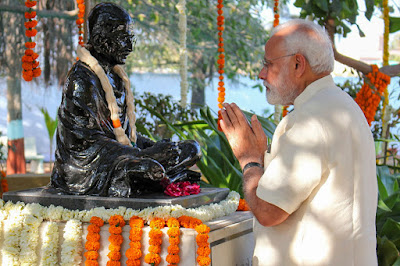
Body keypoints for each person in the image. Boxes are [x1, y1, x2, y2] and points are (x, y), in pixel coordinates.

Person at [220, 19, 377, 265]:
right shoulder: (342, 106)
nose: (261, 74)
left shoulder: (311, 119)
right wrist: (262, 160)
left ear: (297, 63)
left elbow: (269, 211)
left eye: (268, 64)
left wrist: (249, 159)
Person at [50, 3, 201, 197]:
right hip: (88, 169)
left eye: (130, 38)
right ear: (100, 39)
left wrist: (155, 147)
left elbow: (126, 137)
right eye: (123, 38)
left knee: (191, 149)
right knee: (149, 168)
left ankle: (159, 174)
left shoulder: (116, 78)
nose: (129, 46)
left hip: (124, 156)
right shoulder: (82, 79)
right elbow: (88, 144)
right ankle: (160, 175)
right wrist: (146, 155)